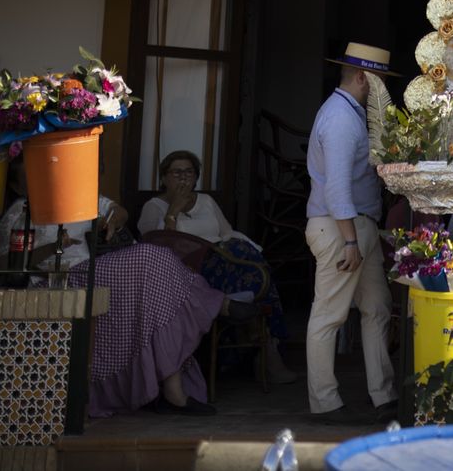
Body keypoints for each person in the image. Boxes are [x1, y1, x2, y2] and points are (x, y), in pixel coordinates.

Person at [0, 161, 248, 418]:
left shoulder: (74, 197)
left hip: (97, 269)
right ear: (17, 186)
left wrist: (114, 219)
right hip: (58, 278)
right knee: (151, 258)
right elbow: (8, 264)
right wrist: (54, 248)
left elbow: (118, 210)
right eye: (29, 180)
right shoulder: (19, 214)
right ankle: (219, 304)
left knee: (156, 282)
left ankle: (173, 389)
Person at [138, 150, 296, 384]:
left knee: (250, 262)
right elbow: (156, 247)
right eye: (177, 173)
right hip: (187, 269)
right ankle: (260, 342)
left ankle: (260, 336)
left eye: (189, 173)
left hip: (223, 259)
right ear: (164, 178)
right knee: (250, 273)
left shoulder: (206, 201)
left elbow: (226, 233)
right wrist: (174, 211)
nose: (183, 179)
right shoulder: (154, 207)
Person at [305, 42, 398, 422]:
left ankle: (383, 394)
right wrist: (349, 240)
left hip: (358, 226)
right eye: (379, 82)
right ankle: (324, 402)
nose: (382, 91)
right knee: (329, 316)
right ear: (362, 77)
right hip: (342, 227)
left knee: (377, 308)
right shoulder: (342, 119)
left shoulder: (349, 113)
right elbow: (337, 187)